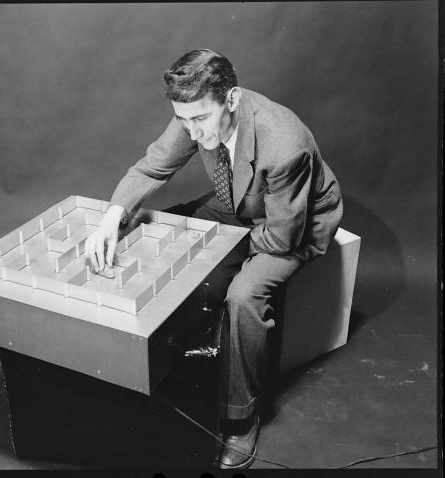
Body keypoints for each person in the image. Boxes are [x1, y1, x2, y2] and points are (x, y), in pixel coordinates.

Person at [85, 48, 343, 469]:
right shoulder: (193, 111)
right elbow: (153, 167)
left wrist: (214, 247)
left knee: (243, 295)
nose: (191, 131)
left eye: (200, 120)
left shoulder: (285, 144)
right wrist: (112, 217)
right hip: (241, 201)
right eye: (183, 120)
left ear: (232, 99)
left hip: (295, 223)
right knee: (161, 229)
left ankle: (243, 418)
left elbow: (281, 236)